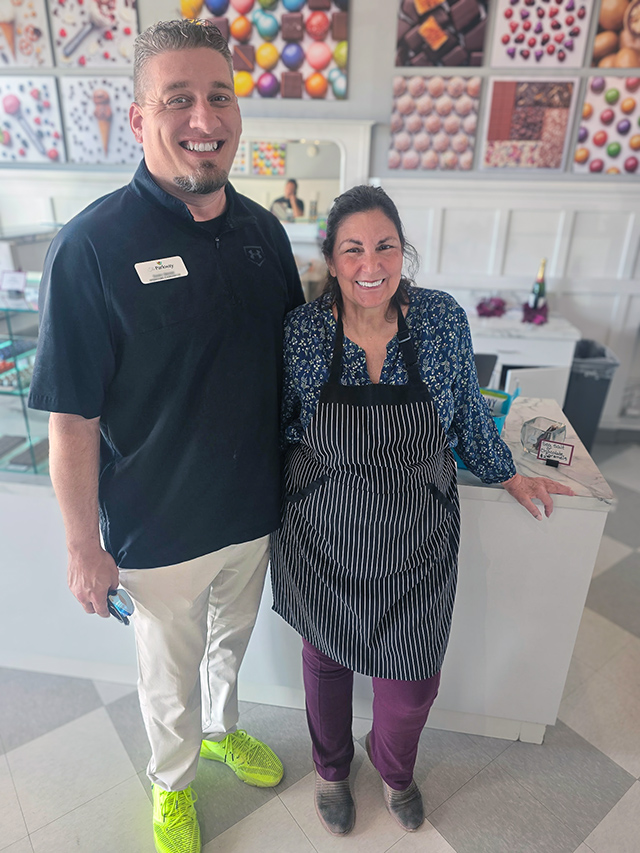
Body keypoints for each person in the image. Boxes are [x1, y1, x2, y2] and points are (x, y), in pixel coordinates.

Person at [28, 20, 304, 853]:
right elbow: (71, 415)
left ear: (238, 112)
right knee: (167, 676)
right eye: (177, 98)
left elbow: (296, 359)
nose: (202, 117)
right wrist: (83, 543)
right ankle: (172, 783)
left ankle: (224, 729)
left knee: (233, 642)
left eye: (218, 96)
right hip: (158, 527)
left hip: (253, 510)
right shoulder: (90, 247)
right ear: (141, 113)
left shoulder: (264, 233)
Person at [270, 185, 573, 837]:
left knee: (410, 688)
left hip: (417, 537)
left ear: (402, 251)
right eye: (353, 249)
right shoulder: (303, 331)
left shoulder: (439, 319)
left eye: (384, 246)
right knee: (325, 667)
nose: (370, 263)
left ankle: (395, 768)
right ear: (331, 257)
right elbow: (281, 427)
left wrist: (507, 474)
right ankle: (331, 770)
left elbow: (464, 411)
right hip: (322, 534)